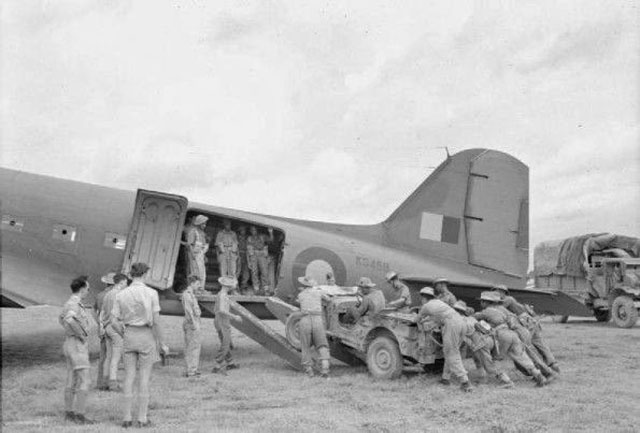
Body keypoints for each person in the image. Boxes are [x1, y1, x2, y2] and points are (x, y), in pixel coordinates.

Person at [112, 262, 169, 428]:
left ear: (131, 275)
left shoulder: (121, 294)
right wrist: (162, 342)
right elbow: (157, 321)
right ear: (145, 275)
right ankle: (142, 418)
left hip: (129, 334)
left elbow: (113, 320)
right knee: (144, 377)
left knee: (129, 376)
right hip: (145, 334)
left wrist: (124, 333)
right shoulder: (152, 293)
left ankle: (126, 417)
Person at [474, 291, 547, 387]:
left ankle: (505, 381)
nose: (481, 303)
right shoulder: (503, 309)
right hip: (513, 334)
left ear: (486, 302)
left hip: (502, 335)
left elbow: (474, 317)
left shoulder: (486, 311)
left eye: (482, 301)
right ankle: (538, 375)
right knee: (522, 356)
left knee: (494, 358)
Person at [415, 287, 473, 392]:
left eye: (421, 298)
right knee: (450, 352)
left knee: (451, 353)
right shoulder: (439, 303)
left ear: (424, 297)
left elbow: (417, 319)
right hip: (460, 322)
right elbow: (436, 318)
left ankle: (465, 382)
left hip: (451, 325)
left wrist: (421, 323)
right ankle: (445, 378)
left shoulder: (426, 306)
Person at [493, 285, 559, 372]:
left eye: (497, 292)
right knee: (540, 344)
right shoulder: (509, 299)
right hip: (531, 322)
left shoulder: (507, 300)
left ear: (502, 292)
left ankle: (538, 368)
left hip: (526, 324)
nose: (495, 294)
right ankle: (553, 364)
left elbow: (497, 310)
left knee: (525, 347)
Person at [452, 300, 514, 388]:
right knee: (478, 360)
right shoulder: (472, 318)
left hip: (480, 344)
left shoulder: (460, 321)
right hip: (489, 340)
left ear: (456, 311)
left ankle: (507, 381)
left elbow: (461, 337)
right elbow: (487, 328)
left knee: (488, 365)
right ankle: (482, 378)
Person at [59, 276, 95, 424]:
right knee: (85, 380)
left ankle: (68, 413)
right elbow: (68, 319)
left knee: (71, 379)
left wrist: (71, 332)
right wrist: (81, 334)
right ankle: (80, 415)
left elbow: (61, 319)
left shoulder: (69, 303)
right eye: (87, 288)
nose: (88, 291)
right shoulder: (75, 304)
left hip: (69, 342)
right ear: (82, 289)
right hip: (76, 345)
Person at [294, 276, 331, 377]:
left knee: (305, 347)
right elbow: (328, 300)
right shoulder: (319, 292)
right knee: (322, 345)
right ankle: (325, 370)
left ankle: (309, 371)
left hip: (305, 320)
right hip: (317, 319)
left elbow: (298, 302)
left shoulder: (300, 295)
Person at [100, 273, 129, 391]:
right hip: (115, 327)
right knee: (116, 358)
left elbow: (102, 312)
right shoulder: (119, 295)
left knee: (108, 356)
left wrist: (102, 325)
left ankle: (104, 381)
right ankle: (113, 383)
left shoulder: (107, 295)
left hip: (107, 327)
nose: (126, 286)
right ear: (121, 282)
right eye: (125, 283)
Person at [212, 277, 243, 374]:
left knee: (226, 342)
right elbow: (221, 310)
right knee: (225, 344)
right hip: (222, 321)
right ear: (228, 286)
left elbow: (216, 310)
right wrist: (234, 317)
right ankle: (217, 365)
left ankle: (230, 363)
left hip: (221, 321)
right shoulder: (222, 296)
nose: (234, 286)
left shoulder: (222, 295)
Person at [95, 272, 115, 391]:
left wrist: (99, 323)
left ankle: (100, 382)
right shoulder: (115, 295)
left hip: (103, 328)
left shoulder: (100, 295)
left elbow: (95, 311)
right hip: (113, 328)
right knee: (112, 356)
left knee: (103, 356)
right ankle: (109, 382)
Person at [181, 275, 202, 377]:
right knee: (192, 347)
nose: (199, 286)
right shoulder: (187, 294)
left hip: (193, 321)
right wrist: (194, 324)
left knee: (195, 346)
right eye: (197, 284)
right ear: (192, 283)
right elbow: (188, 310)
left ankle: (193, 368)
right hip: (191, 322)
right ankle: (191, 370)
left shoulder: (190, 294)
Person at [185, 215, 210, 291]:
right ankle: (196, 289)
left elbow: (203, 245)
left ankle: (201, 288)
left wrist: (204, 256)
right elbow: (190, 245)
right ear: (199, 224)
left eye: (205, 224)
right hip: (194, 255)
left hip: (201, 255)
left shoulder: (202, 233)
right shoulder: (193, 232)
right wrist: (193, 256)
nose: (204, 225)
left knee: (202, 273)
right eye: (203, 224)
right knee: (195, 272)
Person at [246, 226, 272, 295]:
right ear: (250, 231)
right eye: (252, 230)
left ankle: (266, 289)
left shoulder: (262, 236)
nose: (253, 231)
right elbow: (248, 251)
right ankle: (256, 289)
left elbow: (271, 240)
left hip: (262, 255)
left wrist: (271, 232)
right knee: (254, 272)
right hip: (253, 255)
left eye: (254, 230)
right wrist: (249, 262)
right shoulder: (249, 238)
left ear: (257, 230)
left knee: (264, 272)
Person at [236, 225, 251, 293]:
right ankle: (235, 286)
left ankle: (243, 286)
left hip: (246, 255)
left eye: (244, 230)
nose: (243, 231)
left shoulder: (247, 238)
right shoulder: (237, 237)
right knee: (237, 271)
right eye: (242, 230)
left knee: (246, 272)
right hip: (238, 255)